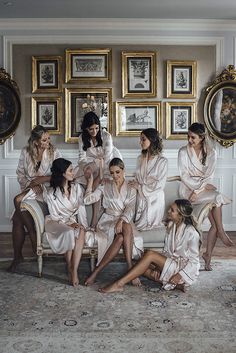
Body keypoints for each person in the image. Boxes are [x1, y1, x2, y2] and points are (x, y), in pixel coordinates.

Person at [100, 199, 200, 293]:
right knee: (139, 264)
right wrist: (158, 265)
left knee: (150, 255)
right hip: (173, 263)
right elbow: (167, 251)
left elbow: (195, 262)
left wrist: (179, 275)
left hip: (182, 269)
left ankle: (119, 284)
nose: (168, 211)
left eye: (172, 210)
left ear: (180, 215)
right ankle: (177, 285)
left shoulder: (191, 233)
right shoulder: (172, 226)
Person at [178, 122, 233, 271]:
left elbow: (209, 177)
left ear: (202, 138)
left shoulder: (211, 152)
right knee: (218, 197)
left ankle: (208, 255)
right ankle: (221, 232)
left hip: (199, 192)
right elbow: (184, 176)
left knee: (214, 217)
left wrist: (200, 189)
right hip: (187, 191)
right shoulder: (183, 152)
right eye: (188, 136)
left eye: (193, 137)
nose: (189, 140)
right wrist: (198, 188)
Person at [8, 125, 61, 272]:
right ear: (36, 141)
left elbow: (59, 174)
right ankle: (18, 255)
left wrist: (42, 179)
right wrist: (31, 184)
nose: (48, 142)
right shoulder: (26, 152)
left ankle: (30, 240)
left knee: (17, 202)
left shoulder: (54, 152)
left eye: (48, 139)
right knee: (17, 221)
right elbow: (20, 174)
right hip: (29, 190)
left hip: (46, 192)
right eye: (44, 140)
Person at [84, 158, 143, 286]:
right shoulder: (105, 185)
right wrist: (90, 182)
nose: (115, 176)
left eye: (117, 172)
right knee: (124, 232)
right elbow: (88, 200)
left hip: (123, 220)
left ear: (123, 170)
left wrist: (121, 220)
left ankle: (96, 272)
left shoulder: (131, 187)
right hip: (107, 220)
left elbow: (130, 208)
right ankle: (130, 268)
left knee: (124, 231)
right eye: (111, 173)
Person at [43, 158, 87, 287]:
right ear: (63, 173)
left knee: (81, 230)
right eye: (71, 170)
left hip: (71, 220)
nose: (73, 173)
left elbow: (82, 206)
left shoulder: (77, 188)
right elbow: (54, 215)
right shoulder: (52, 193)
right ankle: (69, 266)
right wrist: (68, 224)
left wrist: (81, 223)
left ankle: (73, 269)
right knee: (69, 232)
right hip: (56, 222)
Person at [74, 111, 122, 229]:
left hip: (106, 166)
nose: (94, 132)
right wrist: (87, 169)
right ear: (86, 129)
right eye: (91, 129)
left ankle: (94, 220)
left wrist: (98, 177)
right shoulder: (81, 138)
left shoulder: (106, 136)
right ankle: (82, 221)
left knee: (96, 187)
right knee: (77, 187)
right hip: (90, 166)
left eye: (97, 128)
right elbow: (82, 159)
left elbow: (107, 158)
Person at [128, 128, 167, 230]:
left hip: (154, 197)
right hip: (141, 197)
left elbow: (160, 185)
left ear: (152, 140)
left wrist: (140, 188)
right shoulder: (140, 159)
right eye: (140, 139)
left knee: (139, 226)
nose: (140, 142)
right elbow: (138, 177)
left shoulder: (162, 161)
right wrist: (135, 184)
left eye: (143, 139)